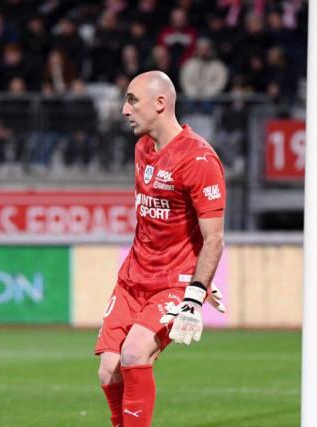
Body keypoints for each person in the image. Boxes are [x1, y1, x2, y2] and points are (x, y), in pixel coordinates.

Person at [95, 70, 227, 427]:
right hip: (134, 277)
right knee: (108, 371)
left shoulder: (199, 160)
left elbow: (214, 238)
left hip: (173, 283)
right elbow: (158, 224)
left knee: (135, 353)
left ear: (160, 103)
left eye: (132, 99)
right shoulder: (142, 148)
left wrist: (195, 291)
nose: (124, 109)